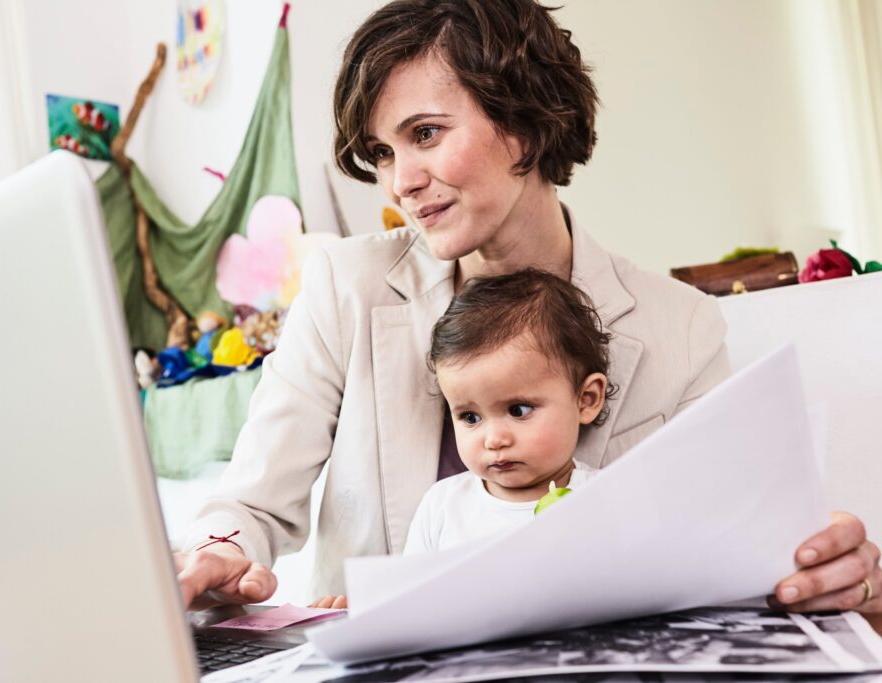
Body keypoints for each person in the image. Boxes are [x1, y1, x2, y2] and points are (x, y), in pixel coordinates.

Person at [175, 0, 881, 626]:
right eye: (382, 153)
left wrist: (818, 559)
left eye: (424, 134)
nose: (401, 181)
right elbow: (252, 503)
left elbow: (736, 542)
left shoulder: (682, 327)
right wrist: (218, 551)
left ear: (524, 120)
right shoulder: (344, 285)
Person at [405, 268, 609, 554]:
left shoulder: (606, 500)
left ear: (586, 399)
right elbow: (408, 596)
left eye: (518, 410)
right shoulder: (442, 507)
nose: (494, 440)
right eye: (470, 418)